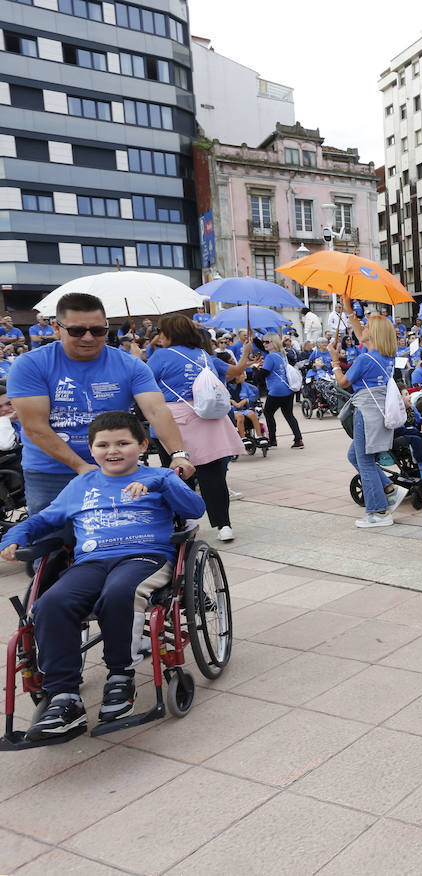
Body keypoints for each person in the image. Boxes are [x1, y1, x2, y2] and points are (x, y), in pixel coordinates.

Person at [0, 411, 205, 740]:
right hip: (91, 561)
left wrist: (164, 478)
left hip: (144, 556)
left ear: (141, 445)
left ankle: (120, 676)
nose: (113, 450)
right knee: (51, 602)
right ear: (91, 449)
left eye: (123, 443)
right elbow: (45, 519)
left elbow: (194, 510)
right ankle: (64, 696)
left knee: (120, 592)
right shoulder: (80, 485)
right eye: (103, 444)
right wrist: (14, 536)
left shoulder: (156, 479)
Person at [9, 293, 195, 514]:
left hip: (117, 468)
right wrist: (81, 467)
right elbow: (34, 427)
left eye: (98, 330)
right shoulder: (30, 365)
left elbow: (157, 410)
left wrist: (178, 454)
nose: (88, 337)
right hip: (51, 472)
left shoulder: (130, 365)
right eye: (77, 330)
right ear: (56, 328)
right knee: (50, 540)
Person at [146, 315, 250, 543]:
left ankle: (181, 521)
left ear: (168, 333)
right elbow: (231, 373)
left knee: (176, 476)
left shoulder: (161, 356)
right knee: (213, 477)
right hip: (207, 418)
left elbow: (144, 383)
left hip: (173, 422)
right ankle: (224, 525)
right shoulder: (204, 355)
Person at [330, 294, 404, 528]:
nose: (361, 329)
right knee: (356, 455)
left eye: (367, 326)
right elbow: (358, 327)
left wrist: (334, 362)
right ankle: (389, 490)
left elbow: (343, 383)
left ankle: (379, 512)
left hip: (366, 411)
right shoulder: (386, 355)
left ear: (372, 334)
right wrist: (350, 309)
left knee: (364, 460)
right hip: (379, 411)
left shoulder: (365, 359)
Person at [259, 336, 304, 449]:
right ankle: (298, 439)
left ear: (274, 343)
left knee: (268, 413)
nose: (264, 344)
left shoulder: (270, 357)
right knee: (289, 414)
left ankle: (272, 440)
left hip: (276, 390)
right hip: (288, 388)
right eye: (263, 342)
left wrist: (256, 369)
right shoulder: (282, 354)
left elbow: (262, 375)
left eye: (267, 342)